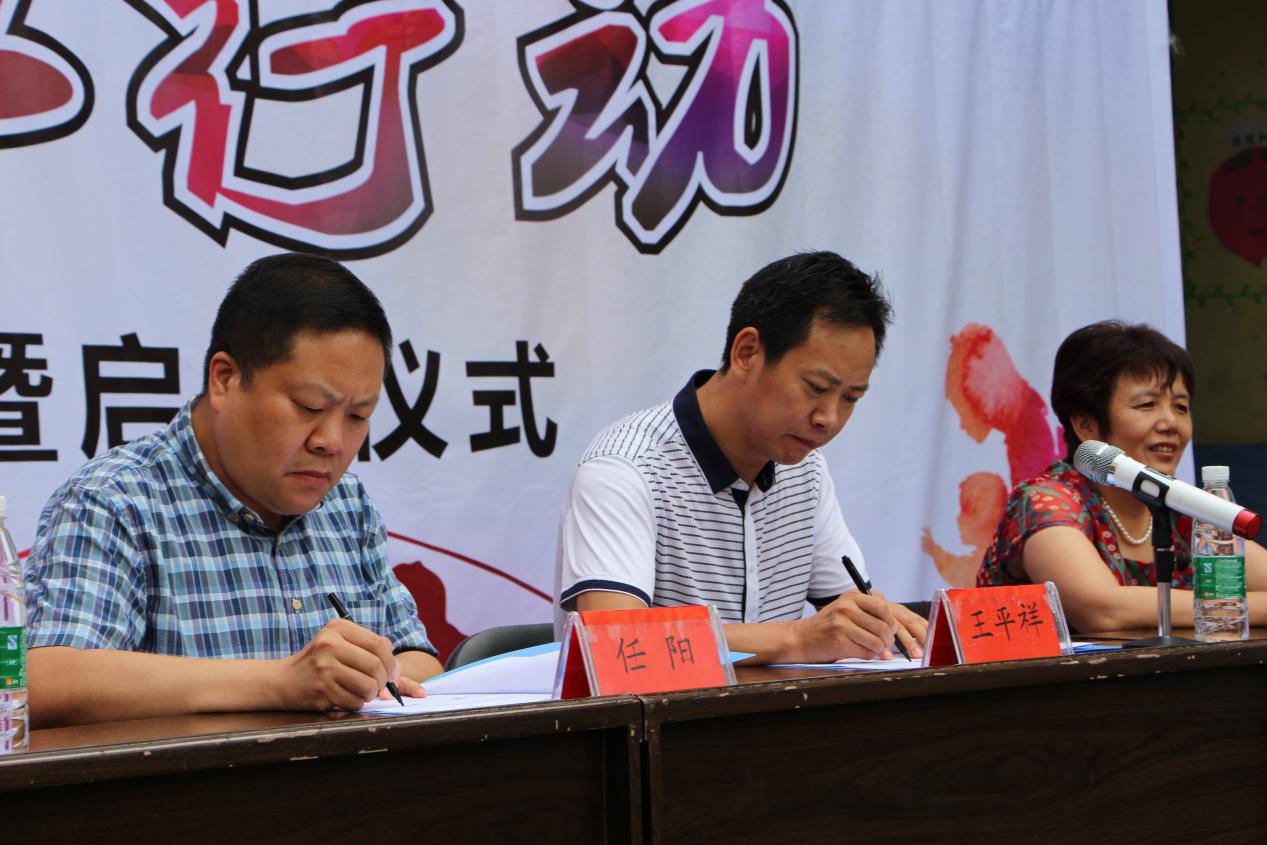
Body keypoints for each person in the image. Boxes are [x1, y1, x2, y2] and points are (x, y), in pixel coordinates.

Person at [25, 253, 442, 727]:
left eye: (357, 416)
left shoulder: (347, 505)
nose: (331, 441)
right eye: (309, 407)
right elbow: (46, 680)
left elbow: (420, 660)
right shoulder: (115, 500)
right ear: (225, 378)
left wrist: (376, 676)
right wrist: (282, 683)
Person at [554, 251, 927, 664]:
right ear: (747, 352)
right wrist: (795, 639)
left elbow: (850, 616)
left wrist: (877, 626)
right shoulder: (625, 469)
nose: (829, 419)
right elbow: (615, 644)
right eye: (817, 388)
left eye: (851, 398)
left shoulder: (806, 470)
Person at [976, 320, 1267, 631]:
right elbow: (1102, 609)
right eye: (1147, 405)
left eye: (1181, 407)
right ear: (1086, 424)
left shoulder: (1180, 506)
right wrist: (1236, 608)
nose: (1171, 423)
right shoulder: (1045, 501)